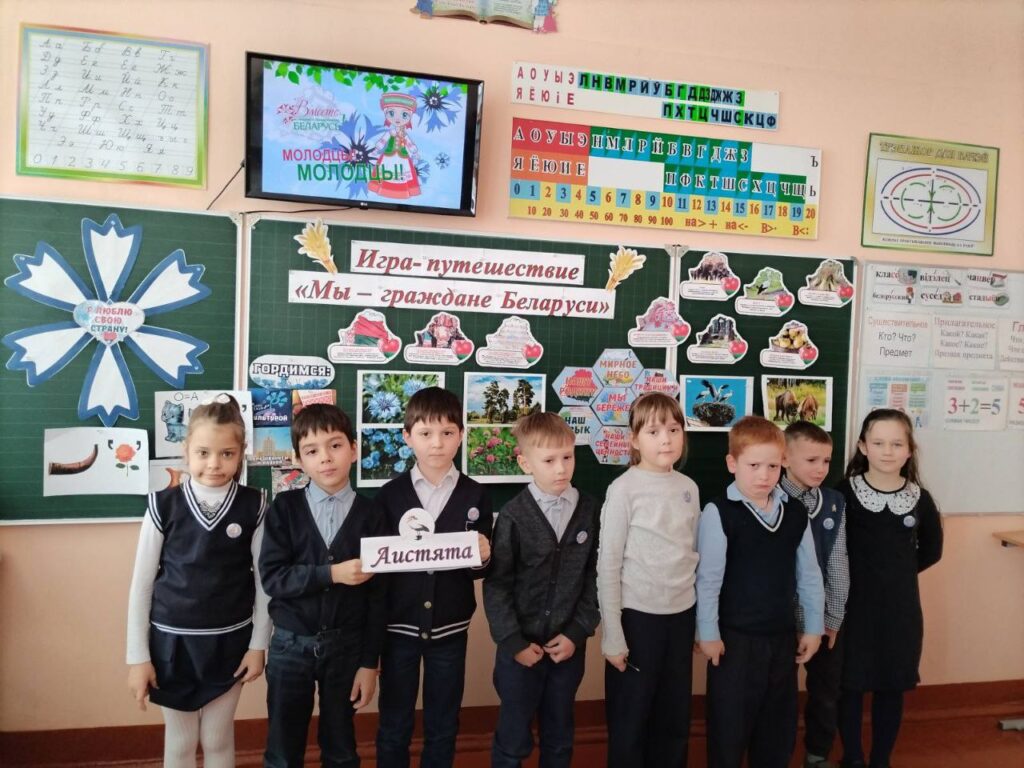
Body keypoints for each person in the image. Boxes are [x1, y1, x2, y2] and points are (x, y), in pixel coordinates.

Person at [126, 394, 269, 768]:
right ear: (186, 450)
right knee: (180, 741)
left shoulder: (255, 505)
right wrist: (138, 658)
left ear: (241, 454)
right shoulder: (162, 505)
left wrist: (258, 646)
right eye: (203, 453)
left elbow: (264, 583)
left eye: (227, 453)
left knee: (218, 738)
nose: (214, 463)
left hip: (230, 644)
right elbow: (141, 586)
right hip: (171, 645)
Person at [259, 403, 385, 768]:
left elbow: (379, 597)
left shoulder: (373, 514)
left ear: (354, 450)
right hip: (289, 646)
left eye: (335, 445)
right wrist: (330, 574)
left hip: (347, 649)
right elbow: (273, 577)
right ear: (298, 460)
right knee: (282, 751)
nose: (326, 458)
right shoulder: (284, 508)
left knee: (341, 748)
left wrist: (369, 663)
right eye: (312, 451)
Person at [374, 386, 493, 768]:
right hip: (399, 630)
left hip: (450, 630)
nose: (437, 443)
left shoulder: (475, 495)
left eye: (447, 432)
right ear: (407, 437)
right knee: (394, 722)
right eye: (426, 433)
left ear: (461, 435)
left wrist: (484, 556)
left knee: (443, 722)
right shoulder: (389, 495)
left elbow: (478, 569)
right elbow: (380, 569)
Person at [697, 415, 825, 768]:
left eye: (772, 466)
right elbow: (708, 580)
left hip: (781, 638)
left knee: (777, 728)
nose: (764, 475)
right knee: (729, 727)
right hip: (734, 642)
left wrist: (813, 627)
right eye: (753, 465)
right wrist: (707, 633)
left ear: (783, 463)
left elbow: (809, 574)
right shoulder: (719, 512)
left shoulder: (795, 513)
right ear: (732, 463)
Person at [484, 411, 600, 768]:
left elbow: (596, 577)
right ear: (525, 463)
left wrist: (577, 632)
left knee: (559, 736)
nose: (561, 468)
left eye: (568, 457)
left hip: (567, 650)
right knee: (513, 738)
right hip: (519, 653)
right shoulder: (513, 516)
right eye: (549, 460)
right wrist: (514, 643)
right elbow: (497, 584)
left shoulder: (590, 511)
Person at [597, 392, 702, 767]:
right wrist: (613, 635)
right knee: (631, 719)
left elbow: (693, 555)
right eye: (654, 431)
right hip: (638, 619)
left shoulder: (689, 488)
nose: (666, 439)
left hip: (681, 616)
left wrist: (698, 623)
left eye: (674, 429)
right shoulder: (623, 489)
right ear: (634, 439)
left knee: (674, 718)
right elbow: (608, 565)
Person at [836, 409, 942, 768]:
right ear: (863, 446)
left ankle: (881, 759)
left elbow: (932, 550)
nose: (887, 451)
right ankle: (852, 757)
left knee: (892, 686)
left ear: (909, 450)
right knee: (849, 686)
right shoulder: (843, 493)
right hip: (851, 609)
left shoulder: (920, 499)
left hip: (900, 612)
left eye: (897, 444)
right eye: (878, 442)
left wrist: (895, 576)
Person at [782, 421, 850, 768]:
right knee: (778, 694)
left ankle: (817, 753)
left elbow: (838, 564)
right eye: (811, 460)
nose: (821, 469)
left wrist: (832, 619)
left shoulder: (834, 503)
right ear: (784, 458)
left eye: (826, 461)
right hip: (779, 618)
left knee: (825, 691)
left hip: (823, 619)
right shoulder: (766, 496)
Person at [368, 91, 421, 199]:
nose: (397, 119)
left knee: (402, 175)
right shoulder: (390, 132)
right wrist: (376, 150)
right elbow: (382, 141)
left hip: (402, 158)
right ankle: (383, 189)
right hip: (389, 156)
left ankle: (401, 192)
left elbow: (410, 144)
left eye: (404, 115)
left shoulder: (404, 134)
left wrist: (415, 153)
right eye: (392, 113)